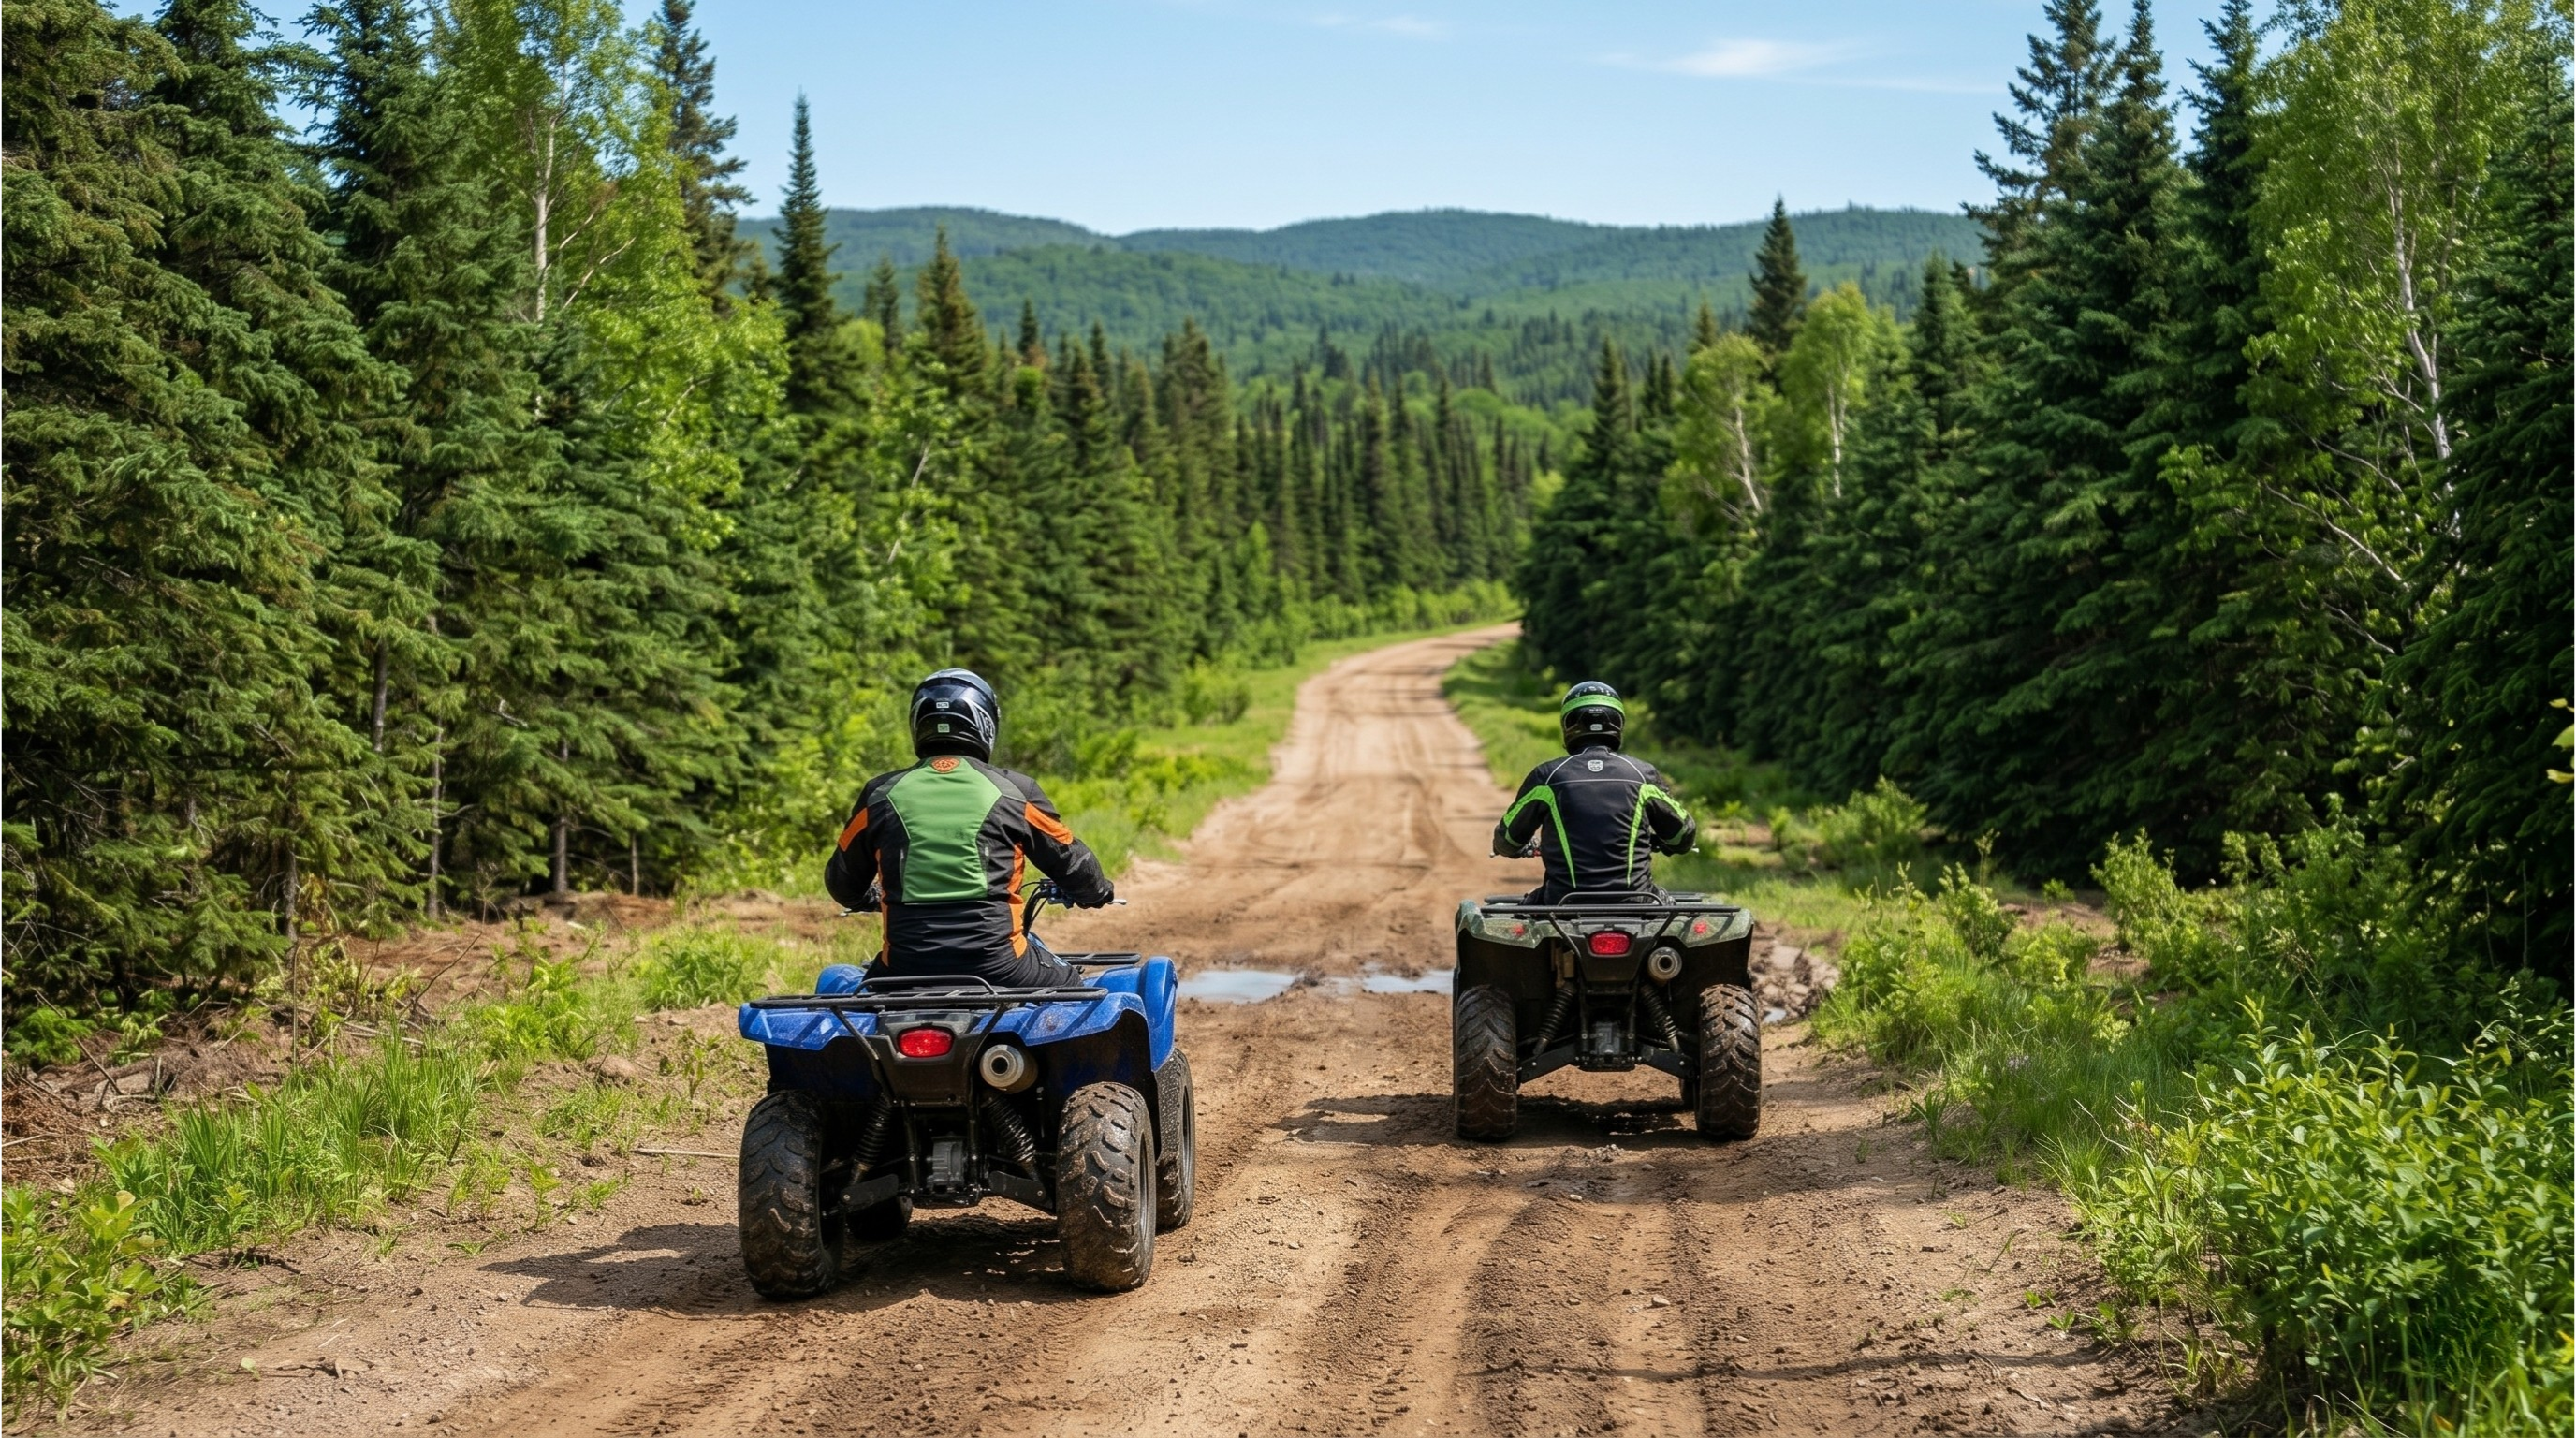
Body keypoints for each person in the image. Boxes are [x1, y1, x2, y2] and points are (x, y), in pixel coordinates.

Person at [825, 668, 1115, 986]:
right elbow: (1073, 862)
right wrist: (1097, 891)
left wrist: (870, 898)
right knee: (1074, 987)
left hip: (903, 970)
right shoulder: (1016, 791)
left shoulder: (879, 795)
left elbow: (842, 884)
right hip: (1000, 966)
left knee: (857, 994)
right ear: (986, 723)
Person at [1492, 681, 1696, 902]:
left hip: (1562, 903)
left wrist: (1514, 848)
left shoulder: (1547, 777)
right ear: (1618, 722)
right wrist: (1664, 842)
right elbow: (1683, 835)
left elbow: (1507, 840)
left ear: (1568, 724)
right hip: (1639, 901)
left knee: (1516, 921)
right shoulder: (1642, 775)